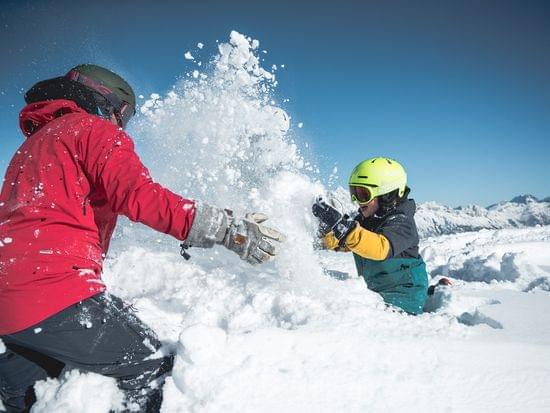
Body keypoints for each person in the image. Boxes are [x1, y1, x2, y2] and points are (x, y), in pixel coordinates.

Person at [0, 64, 285, 412]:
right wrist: (225, 228)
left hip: (10, 304)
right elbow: (139, 195)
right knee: (153, 362)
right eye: (124, 114)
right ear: (106, 101)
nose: (123, 124)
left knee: (35, 394)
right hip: (54, 290)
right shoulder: (93, 129)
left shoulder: (32, 147)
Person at [312, 157, 429, 315]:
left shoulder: (402, 222)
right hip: (376, 292)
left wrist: (343, 227)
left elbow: (380, 248)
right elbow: (348, 243)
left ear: (387, 194)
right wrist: (327, 233)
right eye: (354, 192)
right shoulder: (368, 218)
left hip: (404, 299)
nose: (356, 201)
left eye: (363, 194)